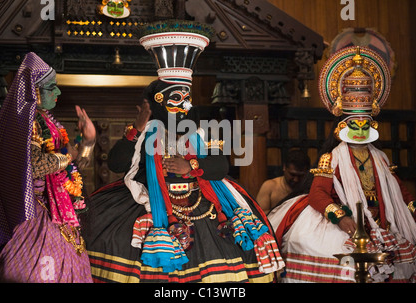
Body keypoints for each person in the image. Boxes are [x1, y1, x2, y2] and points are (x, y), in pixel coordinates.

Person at [83, 20, 284, 283]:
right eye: (177, 99)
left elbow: (221, 167)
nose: (185, 106)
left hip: (201, 200)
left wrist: (190, 167)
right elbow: (118, 164)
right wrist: (138, 127)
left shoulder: (202, 132)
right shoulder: (144, 131)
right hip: (147, 201)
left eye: (187, 99)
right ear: (160, 102)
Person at [268, 46, 416, 283]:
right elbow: (318, 194)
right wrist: (341, 218)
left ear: (373, 125)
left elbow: (400, 192)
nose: (360, 130)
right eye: (354, 124)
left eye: (365, 125)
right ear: (343, 126)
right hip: (345, 221)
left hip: (382, 222)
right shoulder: (331, 158)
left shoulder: (381, 158)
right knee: (328, 253)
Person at [0, 52, 95, 282]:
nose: (58, 92)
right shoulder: (27, 123)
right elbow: (34, 165)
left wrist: (87, 142)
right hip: (35, 211)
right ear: (34, 92)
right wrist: (68, 157)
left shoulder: (48, 121)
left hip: (57, 207)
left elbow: (72, 165)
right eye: (52, 87)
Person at [256, 149, 310, 214]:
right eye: (292, 174)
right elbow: (259, 215)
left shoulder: (308, 189)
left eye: (300, 176)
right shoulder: (269, 186)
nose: (296, 179)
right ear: (284, 167)